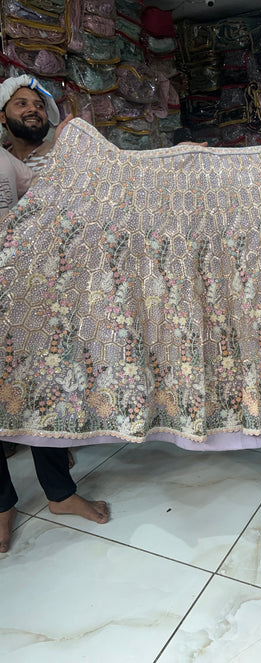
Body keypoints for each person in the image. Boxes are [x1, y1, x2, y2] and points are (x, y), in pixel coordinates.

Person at [0, 77, 109, 553]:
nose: (31, 110)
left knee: (42, 392)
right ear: (2, 115)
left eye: (36, 103)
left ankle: (60, 494)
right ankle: (2, 505)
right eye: (19, 103)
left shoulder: (63, 161)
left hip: (42, 298)